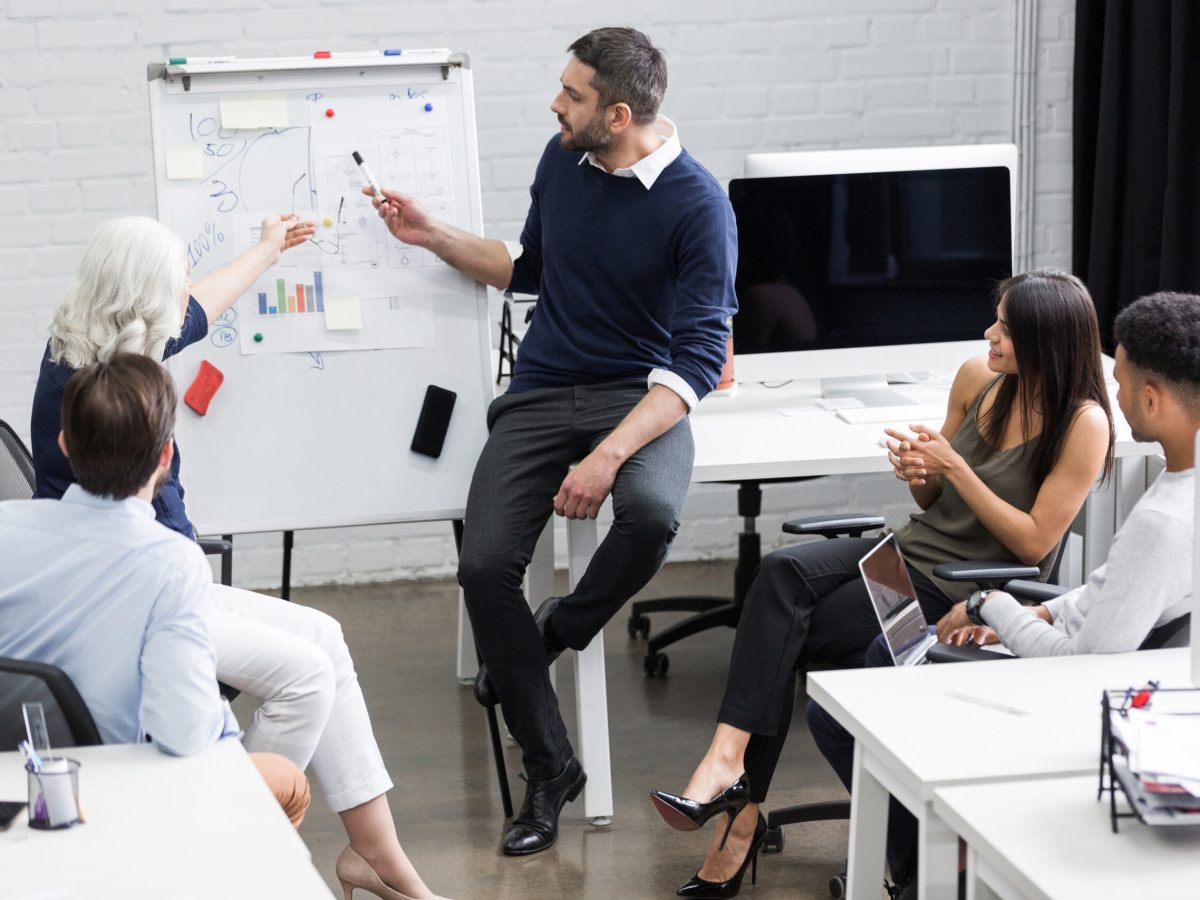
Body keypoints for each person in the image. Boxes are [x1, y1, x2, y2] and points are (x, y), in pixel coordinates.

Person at [367, 27, 737, 855]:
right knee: (482, 564)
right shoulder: (560, 162)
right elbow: (532, 267)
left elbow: (701, 361)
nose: (554, 105)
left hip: (640, 399)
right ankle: (551, 767)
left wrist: (608, 455)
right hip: (538, 394)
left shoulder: (699, 205)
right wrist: (432, 235)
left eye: (570, 96)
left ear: (616, 112)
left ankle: (555, 631)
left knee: (648, 516)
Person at [650, 269, 1116, 897]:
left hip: (959, 587)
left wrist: (953, 465)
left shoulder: (1083, 424)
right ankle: (727, 767)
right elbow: (933, 496)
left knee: (788, 635)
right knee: (780, 573)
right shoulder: (979, 379)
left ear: (1046, 338)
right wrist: (920, 471)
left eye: (1005, 327)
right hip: (908, 552)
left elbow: (1034, 542)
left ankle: (742, 815)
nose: (989, 334)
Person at [30, 217, 445, 900]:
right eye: (173, 287)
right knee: (305, 675)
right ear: (140, 300)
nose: (184, 298)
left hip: (163, 575)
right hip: (133, 595)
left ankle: (376, 858)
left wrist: (267, 247)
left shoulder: (106, 343)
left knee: (326, 637)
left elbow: (198, 309)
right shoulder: (92, 390)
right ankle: (223, 851)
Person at [806, 290, 1199, 897]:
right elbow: (1104, 591)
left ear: (1152, 398)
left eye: (1119, 382)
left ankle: (934, 876)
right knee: (810, 603)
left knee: (840, 714)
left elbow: (1082, 664)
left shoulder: (1164, 520)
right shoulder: (1179, 491)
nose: (1113, 396)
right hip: (1072, 647)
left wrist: (994, 606)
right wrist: (1038, 609)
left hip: (1077, 688)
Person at [0, 355, 310, 828]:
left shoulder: (5, 526)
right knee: (285, 779)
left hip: (22, 777)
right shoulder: (171, 563)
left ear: (64, 444)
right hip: (118, 784)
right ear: (166, 456)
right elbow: (183, 733)